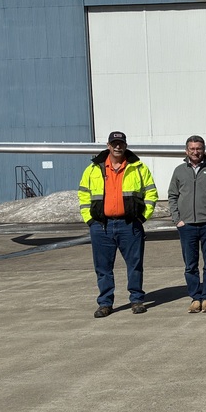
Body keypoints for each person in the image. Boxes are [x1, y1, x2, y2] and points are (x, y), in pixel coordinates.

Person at [78, 131, 159, 318]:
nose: (117, 147)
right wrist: (89, 220)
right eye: (114, 143)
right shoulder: (93, 169)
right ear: (108, 145)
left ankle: (137, 299)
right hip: (101, 226)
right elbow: (83, 195)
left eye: (120, 143)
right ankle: (105, 303)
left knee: (135, 264)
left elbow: (151, 193)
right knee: (103, 267)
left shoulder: (138, 167)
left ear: (125, 145)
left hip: (129, 225)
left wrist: (142, 218)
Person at [167, 135, 206, 313]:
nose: (196, 152)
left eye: (199, 148)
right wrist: (177, 220)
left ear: (204, 150)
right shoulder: (179, 171)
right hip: (186, 226)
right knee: (190, 265)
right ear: (187, 151)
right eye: (192, 149)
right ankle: (195, 297)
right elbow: (172, 195)